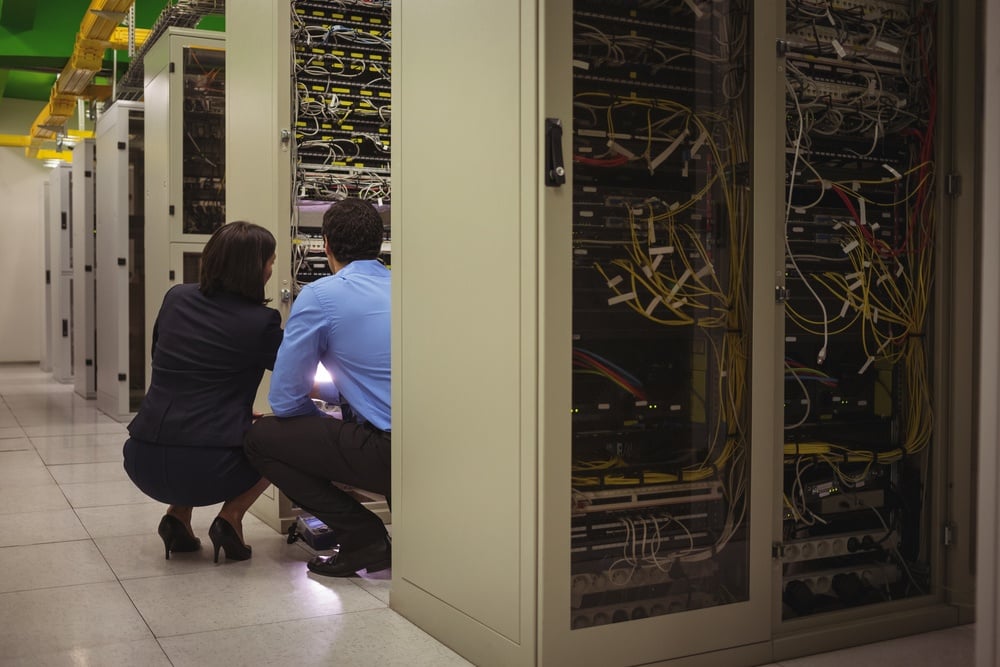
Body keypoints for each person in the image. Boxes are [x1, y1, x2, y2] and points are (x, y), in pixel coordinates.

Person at [245, 197, 391, 577]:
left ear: (324, 244)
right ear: (381, 241)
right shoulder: (410, 287)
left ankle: (364, 537)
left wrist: (327, 432)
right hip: (438, 447)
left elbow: (285, 400)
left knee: (263, 438)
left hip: (389, 454)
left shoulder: (321, 295)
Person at [123, 221, 283, 564]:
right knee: (285, 438)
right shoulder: (261, 321)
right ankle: (232, 517)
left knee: (192, 434)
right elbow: (293, 380)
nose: (272, 269)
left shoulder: (176, 297)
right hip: (209, 470)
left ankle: (177, 517)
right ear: (254, 268)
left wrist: (233, 413)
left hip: (141, 459)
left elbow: (162, 360)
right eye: (270, 261)